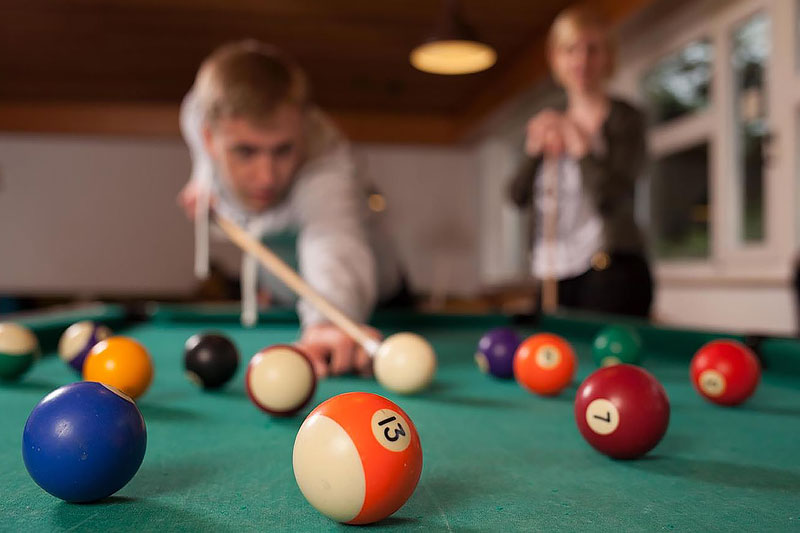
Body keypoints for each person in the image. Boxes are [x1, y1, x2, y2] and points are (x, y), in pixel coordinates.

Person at [178, 41, 406, 377]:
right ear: (210, 140)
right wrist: (202, 177)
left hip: (374, 304)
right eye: (245, 151)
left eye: (283, 150)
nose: (266, 176)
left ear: (302, 128)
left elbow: (332, 240)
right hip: (292, 301)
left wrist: (329, 320)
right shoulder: (198, 112)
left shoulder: (327, 166)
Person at [507, 6, 653, 318]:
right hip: (554, 272)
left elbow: (612, 196)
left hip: (611, 272)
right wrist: (533, 152)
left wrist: (580, 147)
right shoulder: (546, 121)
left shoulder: (627, 119)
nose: (581, 60)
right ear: (554, 58)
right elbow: (515, 196)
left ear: (608, 57)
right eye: (570, 49)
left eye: (593, 49)